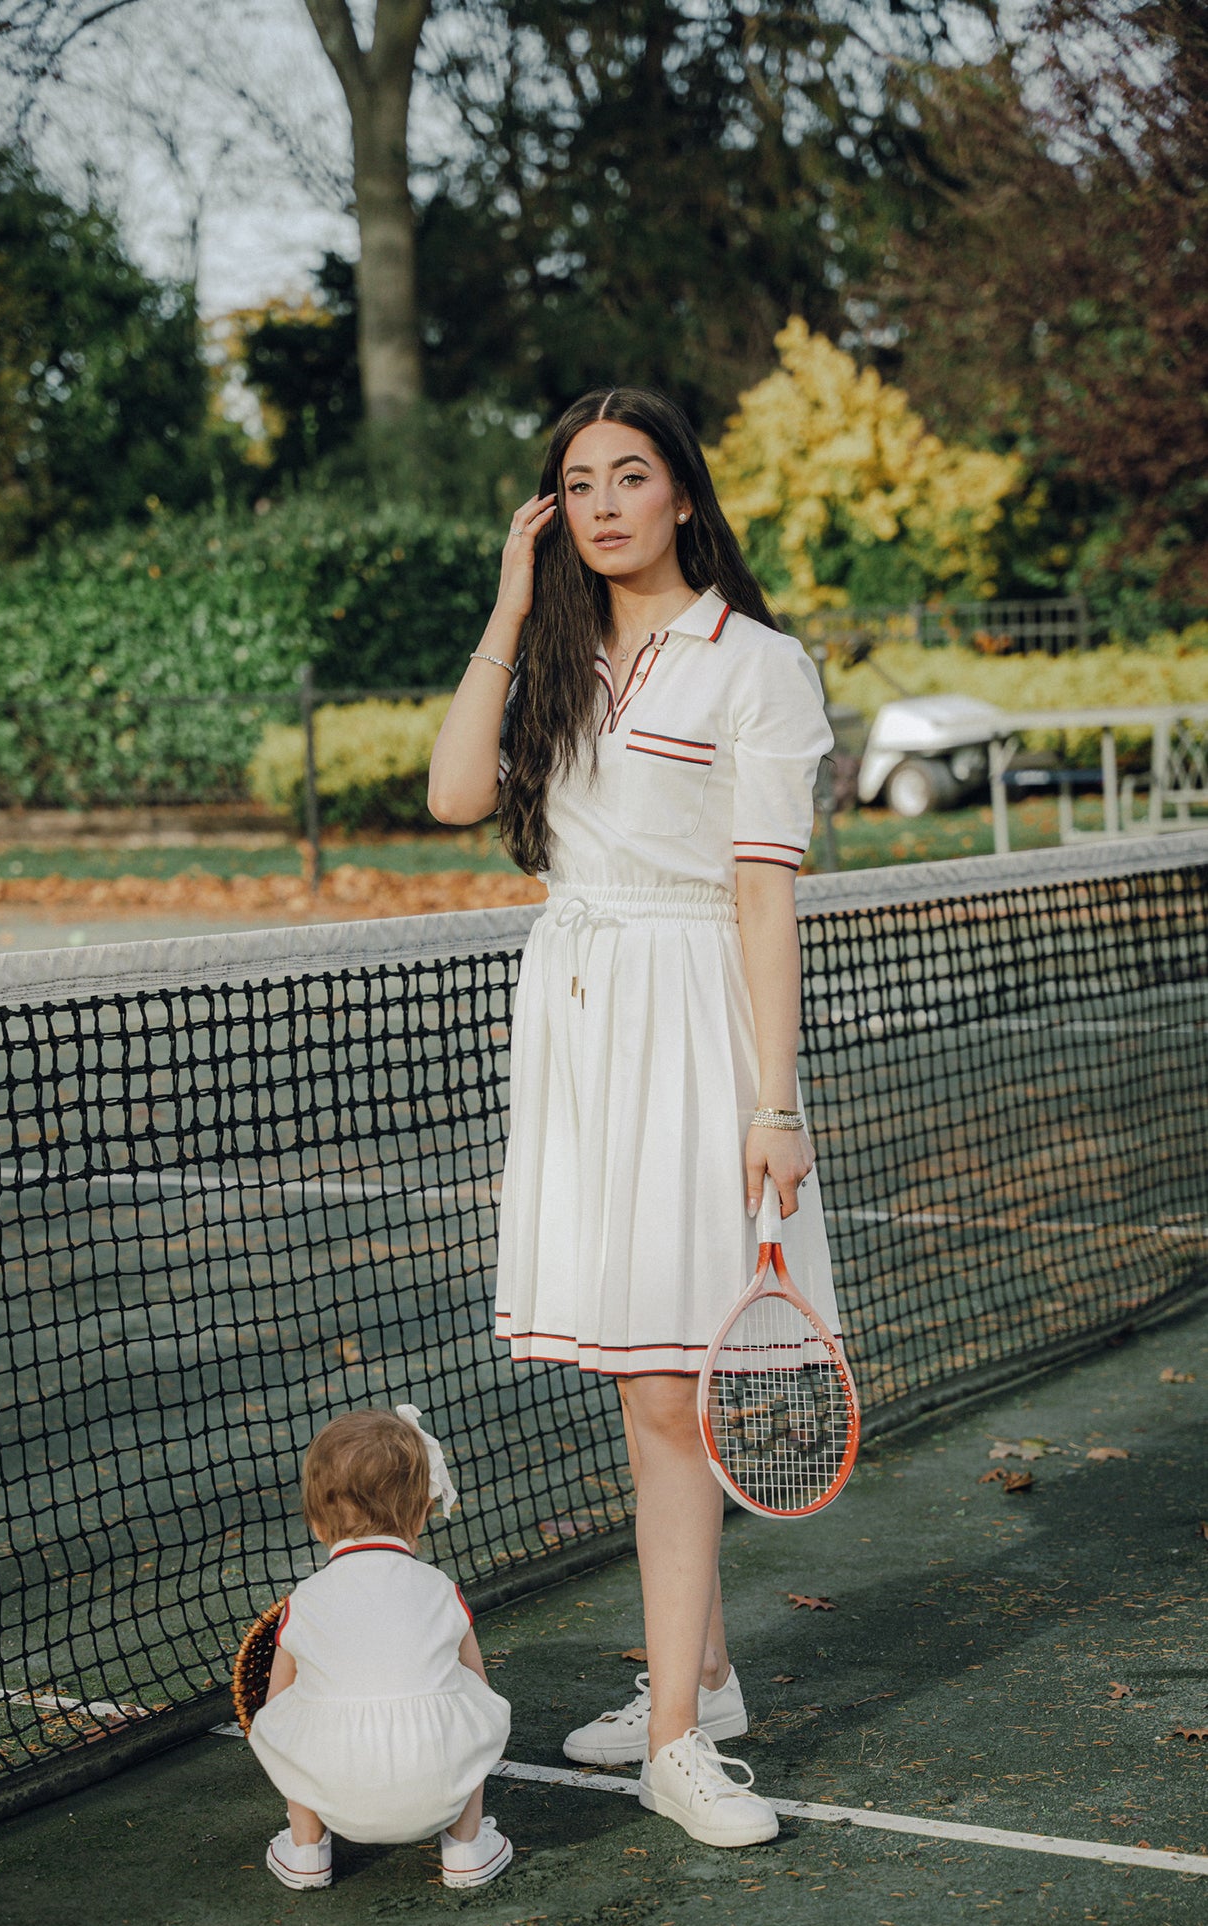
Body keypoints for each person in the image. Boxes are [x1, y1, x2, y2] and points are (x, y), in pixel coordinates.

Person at [428, 387, 844, 1851]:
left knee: (671, 1396)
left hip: (696, 1025)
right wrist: (507, 595)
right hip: (578, 1015)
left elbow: (761, 898)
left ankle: (673, 1744)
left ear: (683, 496)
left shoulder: (759, 665)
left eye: (631, 476)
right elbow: (453, 789)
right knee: (642, 1386)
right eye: (576, 483)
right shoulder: (554, 654)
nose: (603, 503)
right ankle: (705, 1681)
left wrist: (772, 1100)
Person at [247, 1405, 513, 1890]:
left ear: (317, 1523)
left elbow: (273, 1705)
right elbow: (479, 1686)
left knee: (284, 1717)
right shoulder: (440, 1588)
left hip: (333, 1787)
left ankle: (307, 1849)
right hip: (440, 1788)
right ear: (421, 1511)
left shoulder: (303, 1600)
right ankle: (466, 1846)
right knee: (476, 1703)